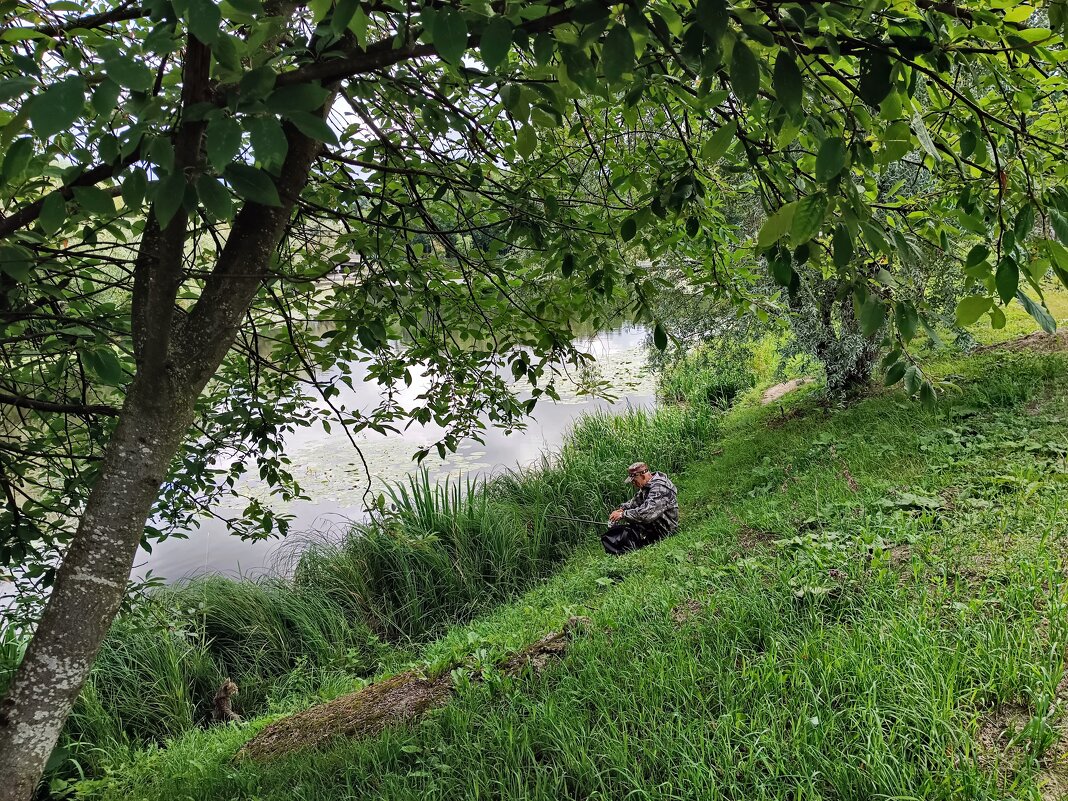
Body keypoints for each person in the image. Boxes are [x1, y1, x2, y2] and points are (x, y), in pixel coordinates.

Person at [602, 462, 679, 555]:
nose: (633, 484)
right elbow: (634, 502)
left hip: (665, 531)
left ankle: (629, 552)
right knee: (619, 533)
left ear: (642, 475)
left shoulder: (660, 487)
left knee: (625, 535)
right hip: (651, 528)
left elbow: (646, 514)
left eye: (634, 480)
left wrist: (622, 515)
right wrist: (621, 509)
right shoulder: (647, 485)